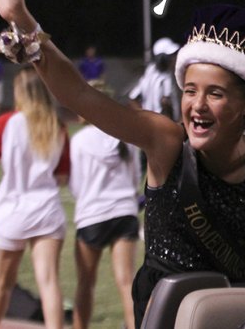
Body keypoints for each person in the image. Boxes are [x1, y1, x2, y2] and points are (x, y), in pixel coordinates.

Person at [0, 0, 245, 329]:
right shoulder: (167, 142)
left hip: (232, 308)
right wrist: (22, 18)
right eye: (191, 90)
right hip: (171, 312)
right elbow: (80, 94)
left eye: (215, 93)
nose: (196, 104)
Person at [0, 67, 70, 329]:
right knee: (49, 282)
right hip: (47, 210)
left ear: (20, 93)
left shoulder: (6, 123)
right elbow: (62, 178)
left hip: (13, 209)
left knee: (2, 283)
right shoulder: (57, 124)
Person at [69, 82, 142, 329]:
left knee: (85, 283)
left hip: (92, 215)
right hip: (125, 213)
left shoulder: (79, 141)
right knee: (126, 282)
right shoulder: (125, 137)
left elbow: (76, 186)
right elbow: (135, 179)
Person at [129, 37, 180, 120]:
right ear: (163, 58)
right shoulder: (155, 74)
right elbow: (166, 102)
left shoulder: (155, 71)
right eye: (171, 55)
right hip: (160, 124)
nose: (175, 57)